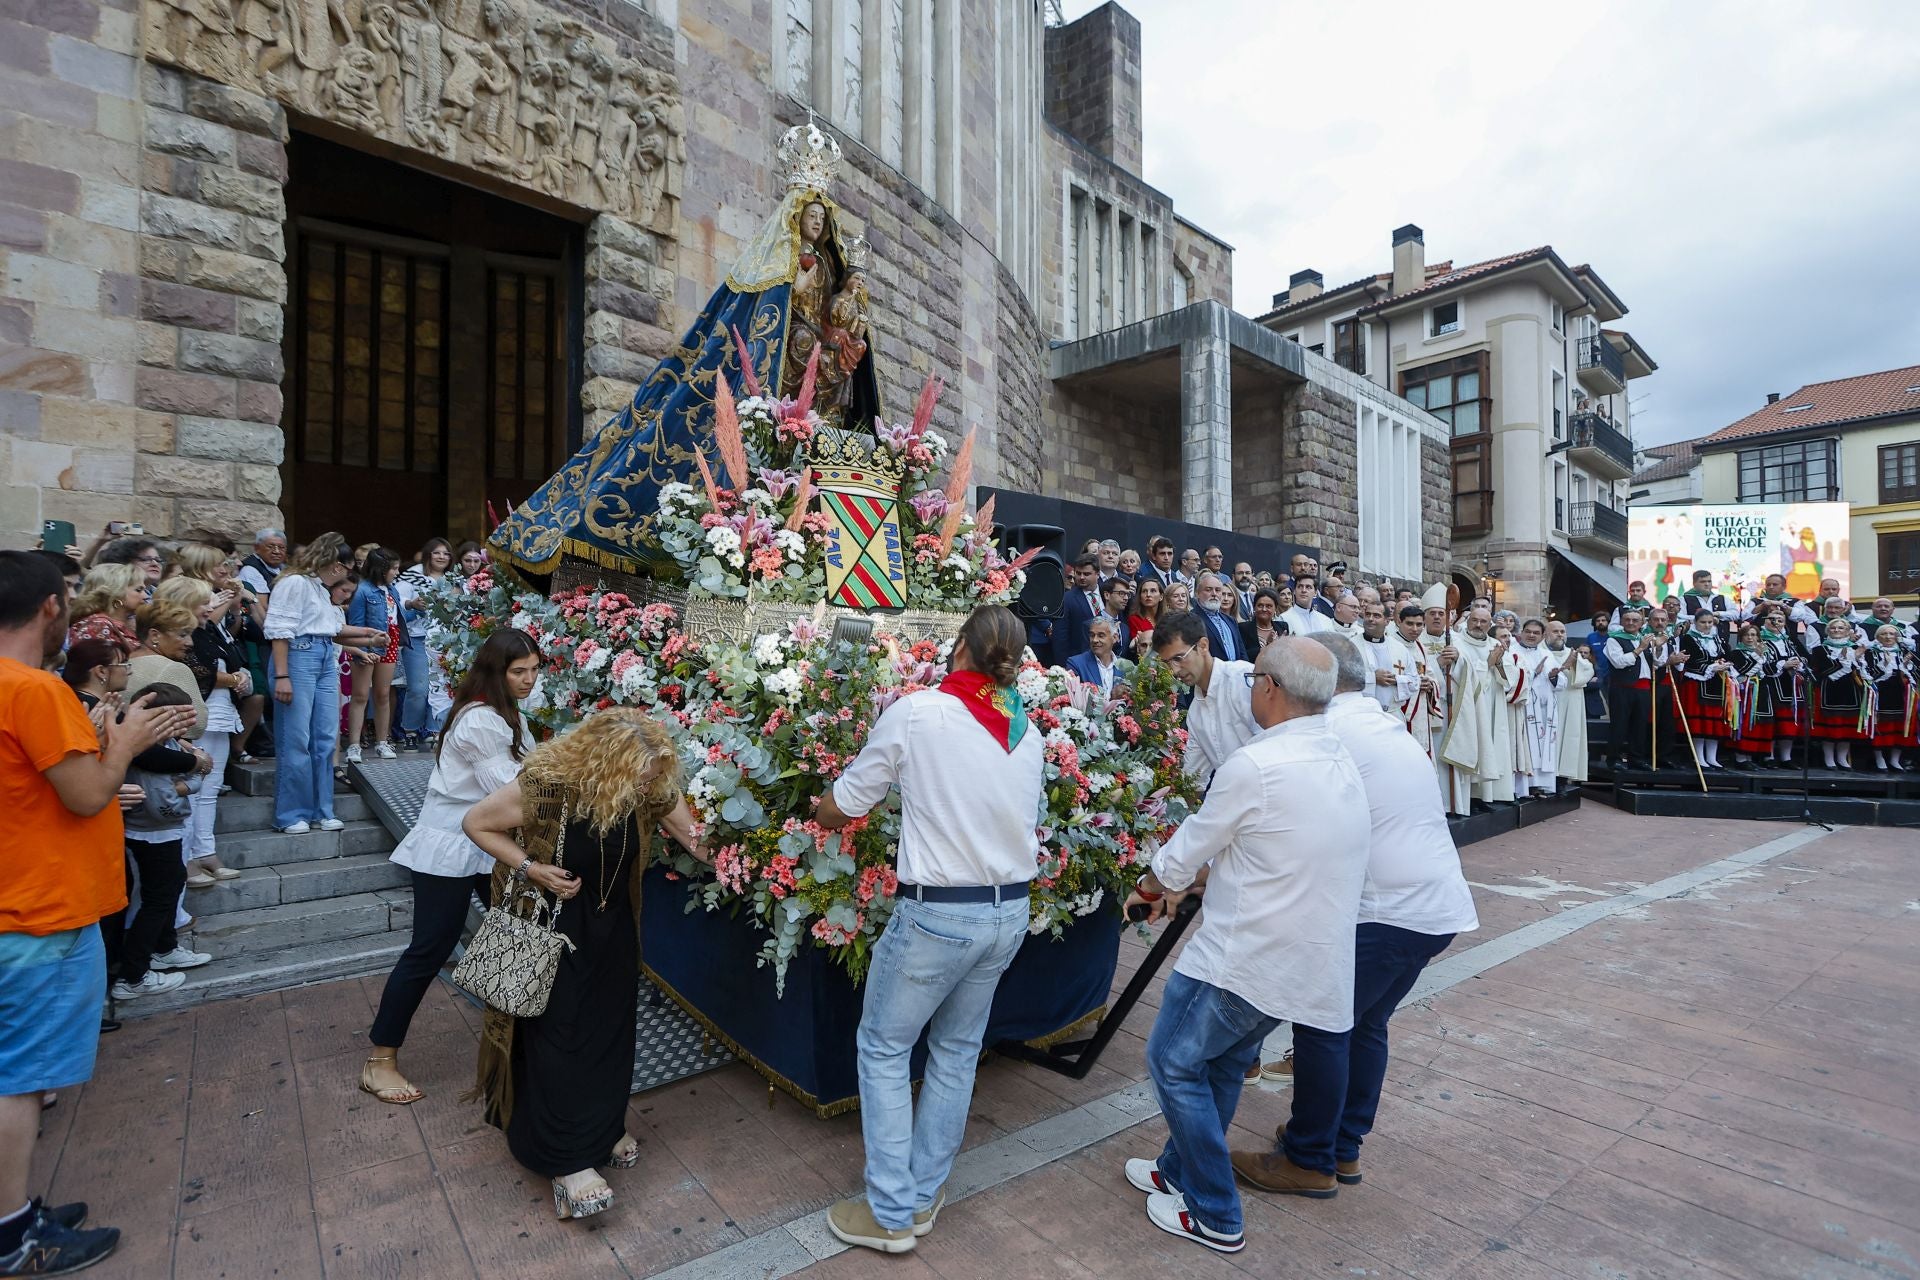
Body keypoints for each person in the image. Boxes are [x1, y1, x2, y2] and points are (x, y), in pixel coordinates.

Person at [1121, 639, 1366, 1253]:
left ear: (1270, 689)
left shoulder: (1259, 764)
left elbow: (1190, 845)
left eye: (1256, 675)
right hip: (1301, 957)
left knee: (1172, 1064)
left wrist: (1150, 887)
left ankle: (1214, 1209)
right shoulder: (1338, 757)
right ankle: (1179, 1171)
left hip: (1243, 956)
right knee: (1224, 1063)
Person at [814, 606, 1043, 1254]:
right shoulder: (1026, 729)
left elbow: (848, 803)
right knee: (957, 1050)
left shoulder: (919, 713)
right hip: (1008, 911)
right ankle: (924, 1192)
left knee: (885, 1049)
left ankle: (892, 1214)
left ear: (963, 648)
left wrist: (821, 808)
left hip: (939, 913)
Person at [1230, 634, 1475, 1198]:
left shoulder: (1327, 731)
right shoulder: (1381, 722)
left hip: (1385, 911)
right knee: (1364, 1025)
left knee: (1322, 1024)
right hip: (1431, 906)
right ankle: (1340, 1147)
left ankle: (1310, 1156)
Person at [1, 550, 189, 1276]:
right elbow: (87, 793)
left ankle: (13, 1209)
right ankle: (14, 1233)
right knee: (19, 1081)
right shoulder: (37, 691)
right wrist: (127, 743)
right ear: (50, 608)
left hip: (20, 901)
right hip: (40, 912)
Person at [463, 709, 706, 1220]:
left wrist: (760, 861)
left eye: (655, 773)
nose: (651, 783)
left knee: (611, 1031)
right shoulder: (548, 784)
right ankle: (568, 1160)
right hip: (553, 926)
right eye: (641, 773)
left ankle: (604, 1128)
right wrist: (534, 868)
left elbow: (692, 836)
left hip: (613, 926)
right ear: (607, 764)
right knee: (561, 1038)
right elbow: (477, 824)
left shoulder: (647, 785)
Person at [363, 630, 542, 1105]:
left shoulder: (500, 713)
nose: (529, 680)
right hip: (452, 843)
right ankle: (380, 1059)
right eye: (518, 671)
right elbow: (514, 792)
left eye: (534, 670)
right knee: (430, 948)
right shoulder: (482, 719)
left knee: (518, 934)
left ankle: (517, 1040)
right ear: (495, 672)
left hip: (484, 841)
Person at [264, 534, 386, 835]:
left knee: (325, 737)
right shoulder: (293, 583)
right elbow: (280, 630)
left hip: (321, 657)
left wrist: (367, 635)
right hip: (298, 657)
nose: (348, 573)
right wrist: (282, 675)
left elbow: (328, 627)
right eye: (347, 567)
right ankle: (291, 814)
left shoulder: (317, 587)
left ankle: (322, 809)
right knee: (296, 738)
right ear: (335, 565)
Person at [112, 683, 215, 999]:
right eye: (183, 715)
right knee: (158, 899)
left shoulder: (165, 744)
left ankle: (165, 947)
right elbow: (164, 796)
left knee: (168, 893)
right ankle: (133, 976)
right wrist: (195, 778)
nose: (189, 722)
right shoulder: (153, 749)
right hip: (156, 833)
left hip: (155, 830)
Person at [1153, 611, 1256, 791]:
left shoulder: (1242, 680)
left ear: (1203, 645)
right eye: (1167, 663)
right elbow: (1192, 780)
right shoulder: (1196, 712)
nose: (1174, 670)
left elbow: (1277, 746)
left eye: (1178, 658)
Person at [1451, 603, 1519, 805]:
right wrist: (1488, 664)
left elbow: (1508, 681)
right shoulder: (1456, 642)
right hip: (1466, 704)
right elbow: (1460, 674)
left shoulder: (1494, 645)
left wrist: (1497, 663)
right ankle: (1468, 797)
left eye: (1483, 622)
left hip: (1492, 705)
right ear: (1468, 621)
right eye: (1475, 620)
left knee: (1490, 746)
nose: (1478, 625)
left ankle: (1486, 796)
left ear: (1490, 624)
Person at [345, 548, 406, 763]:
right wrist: (362, 650)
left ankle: (382, 741)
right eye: (394, 569)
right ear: (382, 569)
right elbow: (355, 623)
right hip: (367, 643)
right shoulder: (362, 591)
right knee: (360, 694)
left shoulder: (392, 590)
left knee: (383, 694)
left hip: (389, 641)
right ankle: (354, 745)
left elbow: (397, 617)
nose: (397, 573)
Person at [395, 538, 453, 750]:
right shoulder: (412, 576)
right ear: (428, 553)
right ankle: (410, 730)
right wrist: (412, 603)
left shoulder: (453, 579)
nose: (441, 557)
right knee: (418, 688)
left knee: (440, 686)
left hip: (445, 640)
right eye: (437, 553)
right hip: (418, 637)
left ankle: (434, 730)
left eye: (446, 554)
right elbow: (395, 601)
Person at [1604, 607, 1666, 770]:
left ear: (1641, 623)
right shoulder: (1614, 640)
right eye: (1627, 620)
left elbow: (1657, 663)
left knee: (1640, 725)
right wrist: (1639, 649)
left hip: (1643, 687)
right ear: (1622, 622)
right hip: (1622, 687)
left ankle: (1636, 758)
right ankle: (1614, 758)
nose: (1631, 623)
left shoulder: (1644, 638)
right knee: (1619, 724)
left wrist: (1658, 648)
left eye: (1635, 620)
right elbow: (1619, 662)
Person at [1675, 606, 1737, 770]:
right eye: (1703, 622)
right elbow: (1689, 660)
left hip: (1717, 684)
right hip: (1697, 683)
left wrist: (1724, 664)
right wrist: (1709, 667)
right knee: (1700, 724)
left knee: (1714, 723)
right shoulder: (1688, 639)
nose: (1707, 625)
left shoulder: (1719, 639)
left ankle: (1712, 757)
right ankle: (1698, 757)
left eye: (1710, 622)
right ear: (1695, 622)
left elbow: (1728, 656)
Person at [1511, 619, 1562, 796]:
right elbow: (1512, 679)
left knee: (1541, 748)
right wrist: (1534, 673)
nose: (1531, 635)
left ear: (1542, 636)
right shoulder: (1513, 652)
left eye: (1536, 633)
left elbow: (1561, 682)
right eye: (1528, 631)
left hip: (1544, 711)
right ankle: (1520, 787)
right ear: (1521, 633)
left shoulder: (1546, 654)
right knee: (1525, 747)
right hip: (1522, 710)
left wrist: (1554, 676)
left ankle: (1539, 784)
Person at [1807, 616, 1865, 770]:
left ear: (1847, 631)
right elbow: (1820, 671)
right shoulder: (1819, 649)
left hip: (1850, 691)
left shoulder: (1855, 648)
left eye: (1841, 628)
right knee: (1829, 728)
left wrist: (1858, 660)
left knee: (1846, 728)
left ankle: (1842, 759)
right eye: (1833, 628)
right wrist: (1843, 664)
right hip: (1828, 690)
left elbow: (1862, 672)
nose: (1837, 630)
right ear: (1828, 631)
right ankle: (1829, 759)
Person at [1545, 621, 1594, 785]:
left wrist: (1574, 665)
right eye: (1555, 631)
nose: (1559, 634)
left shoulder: (1574, 655)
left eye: (1562, 631)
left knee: (1567, 738)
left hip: (1569, 701)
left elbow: (1588, 671)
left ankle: (1562, 779)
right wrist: (1564, 666)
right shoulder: (1540, 652)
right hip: (1545, 705)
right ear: (1546, 634)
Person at [66, 564, 146, 653]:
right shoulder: (98, 626)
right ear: (116, 592)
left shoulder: (127, 624)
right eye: (138, 590)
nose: (145, 596)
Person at [1866, 625, 1913, 771]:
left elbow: (1912, 674)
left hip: (1900, 693)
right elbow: (1868, 674)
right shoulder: (1871, 653)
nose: (1888, 637)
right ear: (1878, 637)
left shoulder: (1905, 652)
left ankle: (1895, 759)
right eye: (1884, 634)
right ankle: (1880, 759)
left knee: (1899, 726)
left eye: (1891, 634)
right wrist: (1884, 665)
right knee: (1881, 726)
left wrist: (1905, 667)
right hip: (1881, 692)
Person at [1066, 616, 1131, 698]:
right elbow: (1074, 699)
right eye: (1092, 635)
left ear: (1115, 638)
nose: (1095, 640)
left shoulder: (1126, 667)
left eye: (1101, 635)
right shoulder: (1076, 664)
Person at [1056, 555, 1102, 661]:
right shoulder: (1067, 599)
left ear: (1098, 574)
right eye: (1078, 573)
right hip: (1079, 660)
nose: (1081, 577)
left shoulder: (1107, 593)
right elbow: (1060, 637)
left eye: (1086, 574)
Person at [1193, 573, 1246, 662]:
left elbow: (1242, 653)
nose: (1214, 594)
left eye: (1218, 590)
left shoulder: (1230, 620)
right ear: (1197, 593)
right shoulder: (1191, 619)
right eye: (1208, 590)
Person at [1238, 587, 1287, 661]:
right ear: (1254, 607)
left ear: (1275, 608)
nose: (1264, 609)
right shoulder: (1243, 628)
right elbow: (1242, 655)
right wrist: (1266, 647)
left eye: (1269, 606)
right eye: (1260, 605)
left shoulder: (1283, 627)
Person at [236, 528, 287, 597]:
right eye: (270, 547)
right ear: (257, 548)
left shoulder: (284, 568)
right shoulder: (250, 570)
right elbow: (262, 606)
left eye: (281, 547)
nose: (276, 551)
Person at [1127, 577, 1164, 661]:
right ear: (1140, 597)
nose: (1148, 595)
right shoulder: (1134, 620)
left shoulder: (1167, 620)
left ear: (1161, 596)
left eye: (1153, 591)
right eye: (1144, 591)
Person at [1099, 575, 1135, 651]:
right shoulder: (1090, 625)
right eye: (1121, 593)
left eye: (1127, 595)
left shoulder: (1125, 628)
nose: (1125, 598)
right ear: (1107, 595)